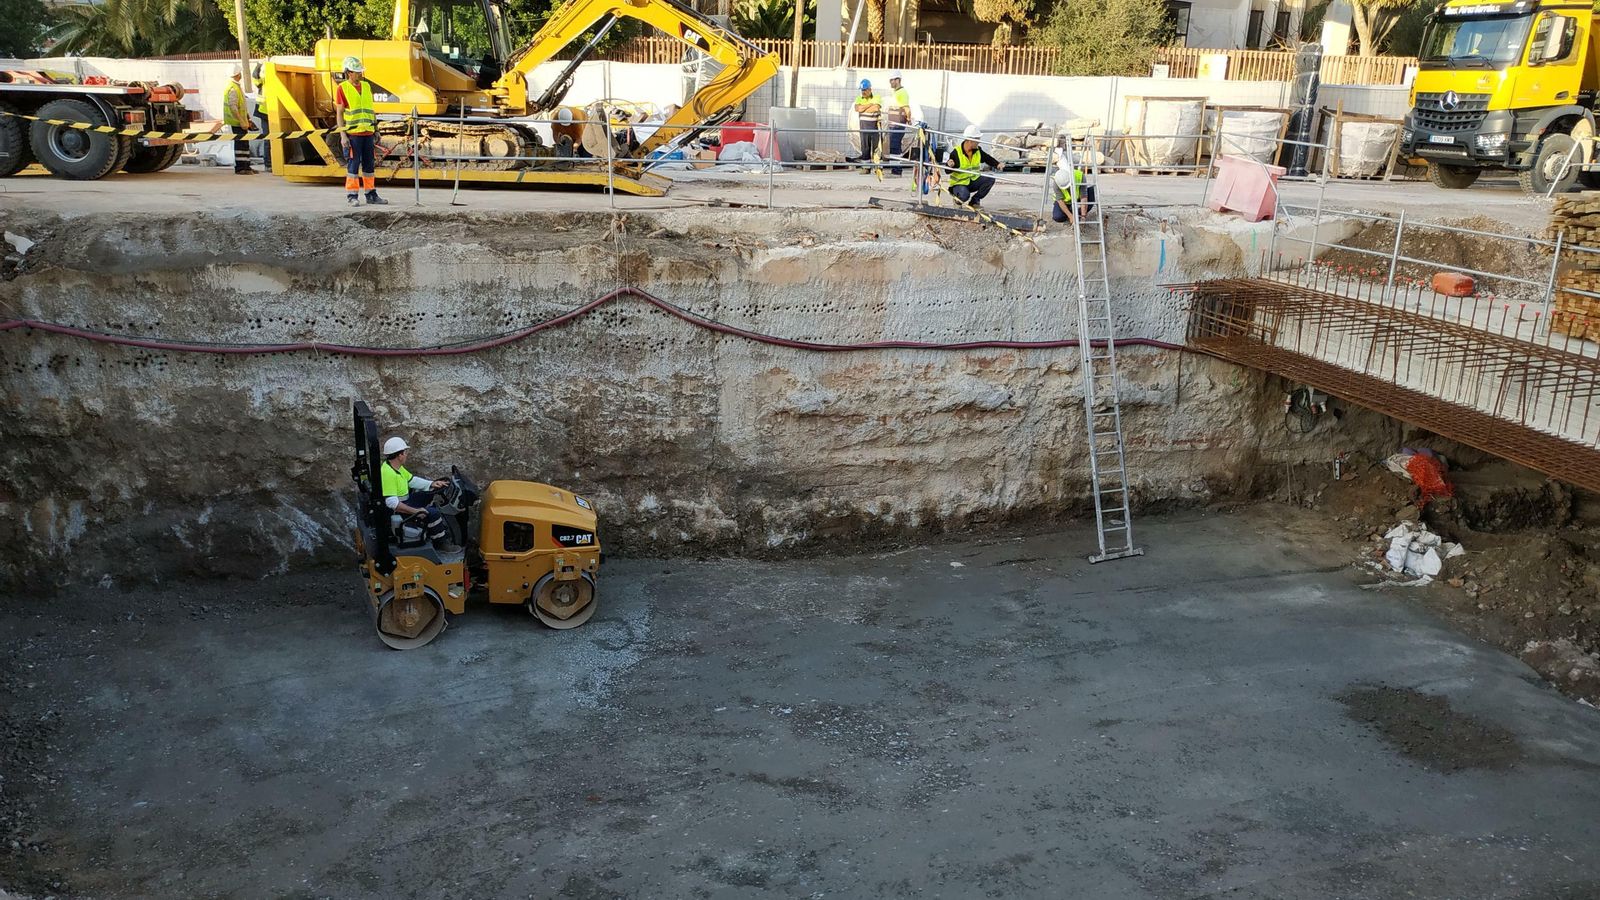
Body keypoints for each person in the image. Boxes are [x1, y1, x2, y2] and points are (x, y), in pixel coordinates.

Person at [380, 436, 460, 553]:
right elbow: (391, 503)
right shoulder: (388, 474)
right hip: (397, 511)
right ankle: (440, 543)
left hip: (404, 501)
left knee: (427, 495)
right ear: (399, 455)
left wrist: (432, 484)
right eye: (405, 452)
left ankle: (430, 527)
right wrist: (415, 511)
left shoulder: (394, 467)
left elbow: (412, 480)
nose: (406, 454)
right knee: (433, 513)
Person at [334, 56, 387, 207]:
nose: (360, 74)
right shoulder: (342, 88)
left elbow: (370, 110)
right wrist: (343, 135)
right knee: (353, 165)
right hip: (353, 134)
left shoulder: (366, 86)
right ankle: (352, 195)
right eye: (357, 72)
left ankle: (371, 194)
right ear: (349, 72)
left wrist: (375, 129)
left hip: (368, 133)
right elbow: (339, 113)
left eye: (360, 71)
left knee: (369, 165)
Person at [945, 124, 1003, 208]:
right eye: (977, 139)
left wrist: (997, 164)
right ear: (970, 140)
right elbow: (947, 171)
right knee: (964, 195)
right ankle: (957, 199)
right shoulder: (956, 153)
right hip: (959, 184)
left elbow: (987, 158)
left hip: (973, 181)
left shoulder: (977, 151)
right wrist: (949, 165)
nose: (979, 142)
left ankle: (974, 201)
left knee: (990, 179)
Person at [883, 72, 921, 176]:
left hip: (898, 124)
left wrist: (908, 119)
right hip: (894, 124)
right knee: (895, 147)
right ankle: (895, 169)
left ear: (898, 80)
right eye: (890, 80)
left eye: (892, 80)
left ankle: (896, 170)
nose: (891, 82)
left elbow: (907, 108)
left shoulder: (902, 93)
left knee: (895, 147)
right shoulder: (896, 93)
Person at [222, 66, 256, 175]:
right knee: (241, 145)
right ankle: (241, 168)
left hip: (241, 121)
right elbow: (233, 107)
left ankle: (246, 166)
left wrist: (247, 118)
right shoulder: (233, 88)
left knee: (244, 144)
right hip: (237, 122)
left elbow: (241, 106)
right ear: (237, 75)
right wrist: (241, 120)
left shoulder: (235, 86)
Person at [1049, 147, 1095, 224]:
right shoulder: (1056, 181)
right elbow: (1060, 200)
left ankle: (1078, 214)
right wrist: (1070, 216)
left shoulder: (1079, 176)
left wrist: (1083, 216)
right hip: (1065, 202)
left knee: (1091, 192)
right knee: (1057, 217)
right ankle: (1071, 213)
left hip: (1077, 198)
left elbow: (1084, 197)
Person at [853, 79, 883, 172]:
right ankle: (866, 168)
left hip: (875, 129)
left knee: (876, 149)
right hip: (864, 129)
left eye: (865, 90)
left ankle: (877, 169)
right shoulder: (858, 98)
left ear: (870, 89)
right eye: (862, 90)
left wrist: (864, 107)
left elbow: (876, 108)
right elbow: (858, 109)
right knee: (865, 149)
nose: (863, 92)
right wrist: (870, 104)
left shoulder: (877, 97)